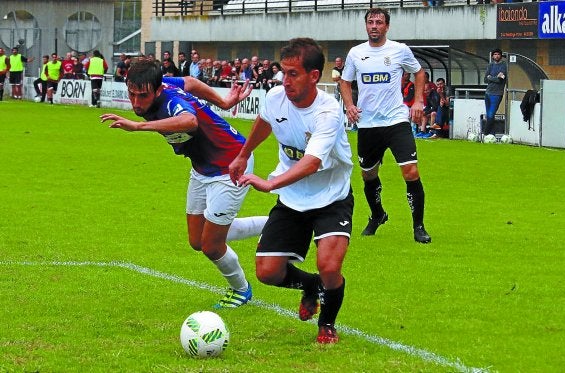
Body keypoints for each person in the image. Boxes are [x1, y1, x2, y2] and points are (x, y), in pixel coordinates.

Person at [100, 60, 266, 309]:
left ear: (157, 91)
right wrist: (223, 102)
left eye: (142, 96)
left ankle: (241, 290)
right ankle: (272, 224)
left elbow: (190, 121)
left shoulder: (171, 103)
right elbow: (189, 82)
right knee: (197, 240)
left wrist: (138, 126)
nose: (136, 102)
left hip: (230, 164)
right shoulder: (161, 81)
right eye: (131, 94)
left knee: (211, 245)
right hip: (202, 167)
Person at [229, 38, 354, 344]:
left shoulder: (328, 112)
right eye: (283, 72)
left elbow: (311, 162)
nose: (285, 81)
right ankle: (310, 286)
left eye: (293, 74)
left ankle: (327, 323)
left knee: (329, 265)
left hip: (331, 197)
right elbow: (264, 122)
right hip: (293, 197)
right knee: (267, 272)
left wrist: (270, 183)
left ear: (314, 76)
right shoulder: (275, 97)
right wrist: (244, 154)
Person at [340, 7, 431, 243]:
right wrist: (349, 105)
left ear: (387, 26)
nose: (374, 26)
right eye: (370, 22)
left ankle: (418, 227)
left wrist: (419, 101)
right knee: (368, 175)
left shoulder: (399, 50)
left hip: (396, 121)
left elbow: (419, 73)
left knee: (410, 172)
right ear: (366, 26)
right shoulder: (356, 53)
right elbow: (344, 82)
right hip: (368, 124)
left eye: (379, 22)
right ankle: (377, 215)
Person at [483, 48, 507, 136]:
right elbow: (485, 79)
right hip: (488, 93)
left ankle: (485, 134)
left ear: (501, 56)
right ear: (492, 56)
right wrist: (493, 78)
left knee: (490, 114)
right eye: (495, 54)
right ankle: (491, 134)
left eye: (498, 54)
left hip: (497, 94)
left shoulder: (504, 65)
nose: (496, 56)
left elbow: (500, 80)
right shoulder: (490, 65)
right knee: (489, 115)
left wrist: (490, 77)